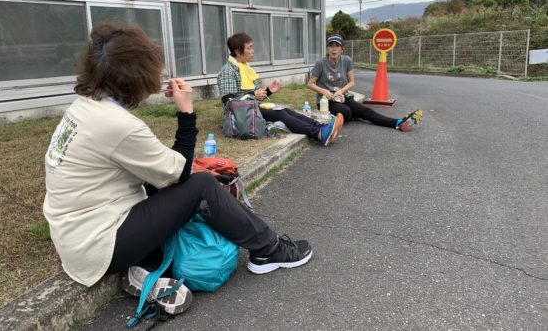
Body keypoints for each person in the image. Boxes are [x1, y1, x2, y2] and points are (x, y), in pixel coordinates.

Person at [43, 23, 313, 317]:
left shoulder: (84, 107)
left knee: (165, 184)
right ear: (138, 75)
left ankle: (145, 268)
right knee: (202, 186)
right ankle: (269, 250)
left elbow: (155, 169)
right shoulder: (117, 124)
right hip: (100, 245)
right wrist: (186, 114)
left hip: (75, 238)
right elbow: (179, 173)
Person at [217, 32, 344, 146]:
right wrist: (253, 94)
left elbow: (252, 96)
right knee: (280, 113)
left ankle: (322, 127)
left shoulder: (245, 68)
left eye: (252, 47)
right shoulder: (228, 71)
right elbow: (228, 102)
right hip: (241, 115)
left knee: (285, 110)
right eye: (249, 48)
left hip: (251, 108)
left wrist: (268, 91)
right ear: (238, 52)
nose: (253, 51)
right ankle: (319, 133)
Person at [307, 34, 423, 131]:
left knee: (366, 111)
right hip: (325, 101)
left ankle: (398, 123)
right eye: (331, 46)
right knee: (346, 111)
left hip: (342, 97)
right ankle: (354, 115)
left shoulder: (347, 60)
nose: (334, 49)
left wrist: (341, 91)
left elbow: (352, 82)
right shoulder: (321, 63)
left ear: (342, 49)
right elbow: (310, 84)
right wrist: (324, 91)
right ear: (327, 49)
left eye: (337, 46)